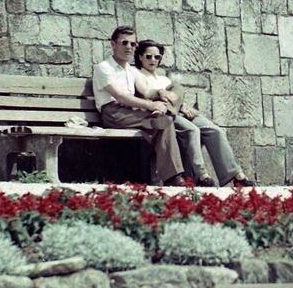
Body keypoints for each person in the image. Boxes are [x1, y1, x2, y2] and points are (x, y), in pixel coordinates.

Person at [131, 40, 254, 188]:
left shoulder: (164, 79)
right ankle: (202, 176)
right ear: (140, 57)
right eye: (149, 56)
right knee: (192, 130)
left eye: (157, 57)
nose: (153, 60)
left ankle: (237, 175)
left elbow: (176, 97)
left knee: (215, 130)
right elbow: (146, 96)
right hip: (161, 116)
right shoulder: (137, 76)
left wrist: (183, 106)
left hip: (177, 111)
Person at [92, 26, 186, 186]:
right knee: (162, 122)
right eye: (124, 43)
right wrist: (152, 105)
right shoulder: (103, 68)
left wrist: (161, 92)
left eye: (133, 44)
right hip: (113, 113)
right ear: (113, 44)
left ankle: (165, 115)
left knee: (176, 92)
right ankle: (173, 177)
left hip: (132, 111)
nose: (129, 47)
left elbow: (147, 91)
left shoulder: (132, 70)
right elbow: (121, 97)